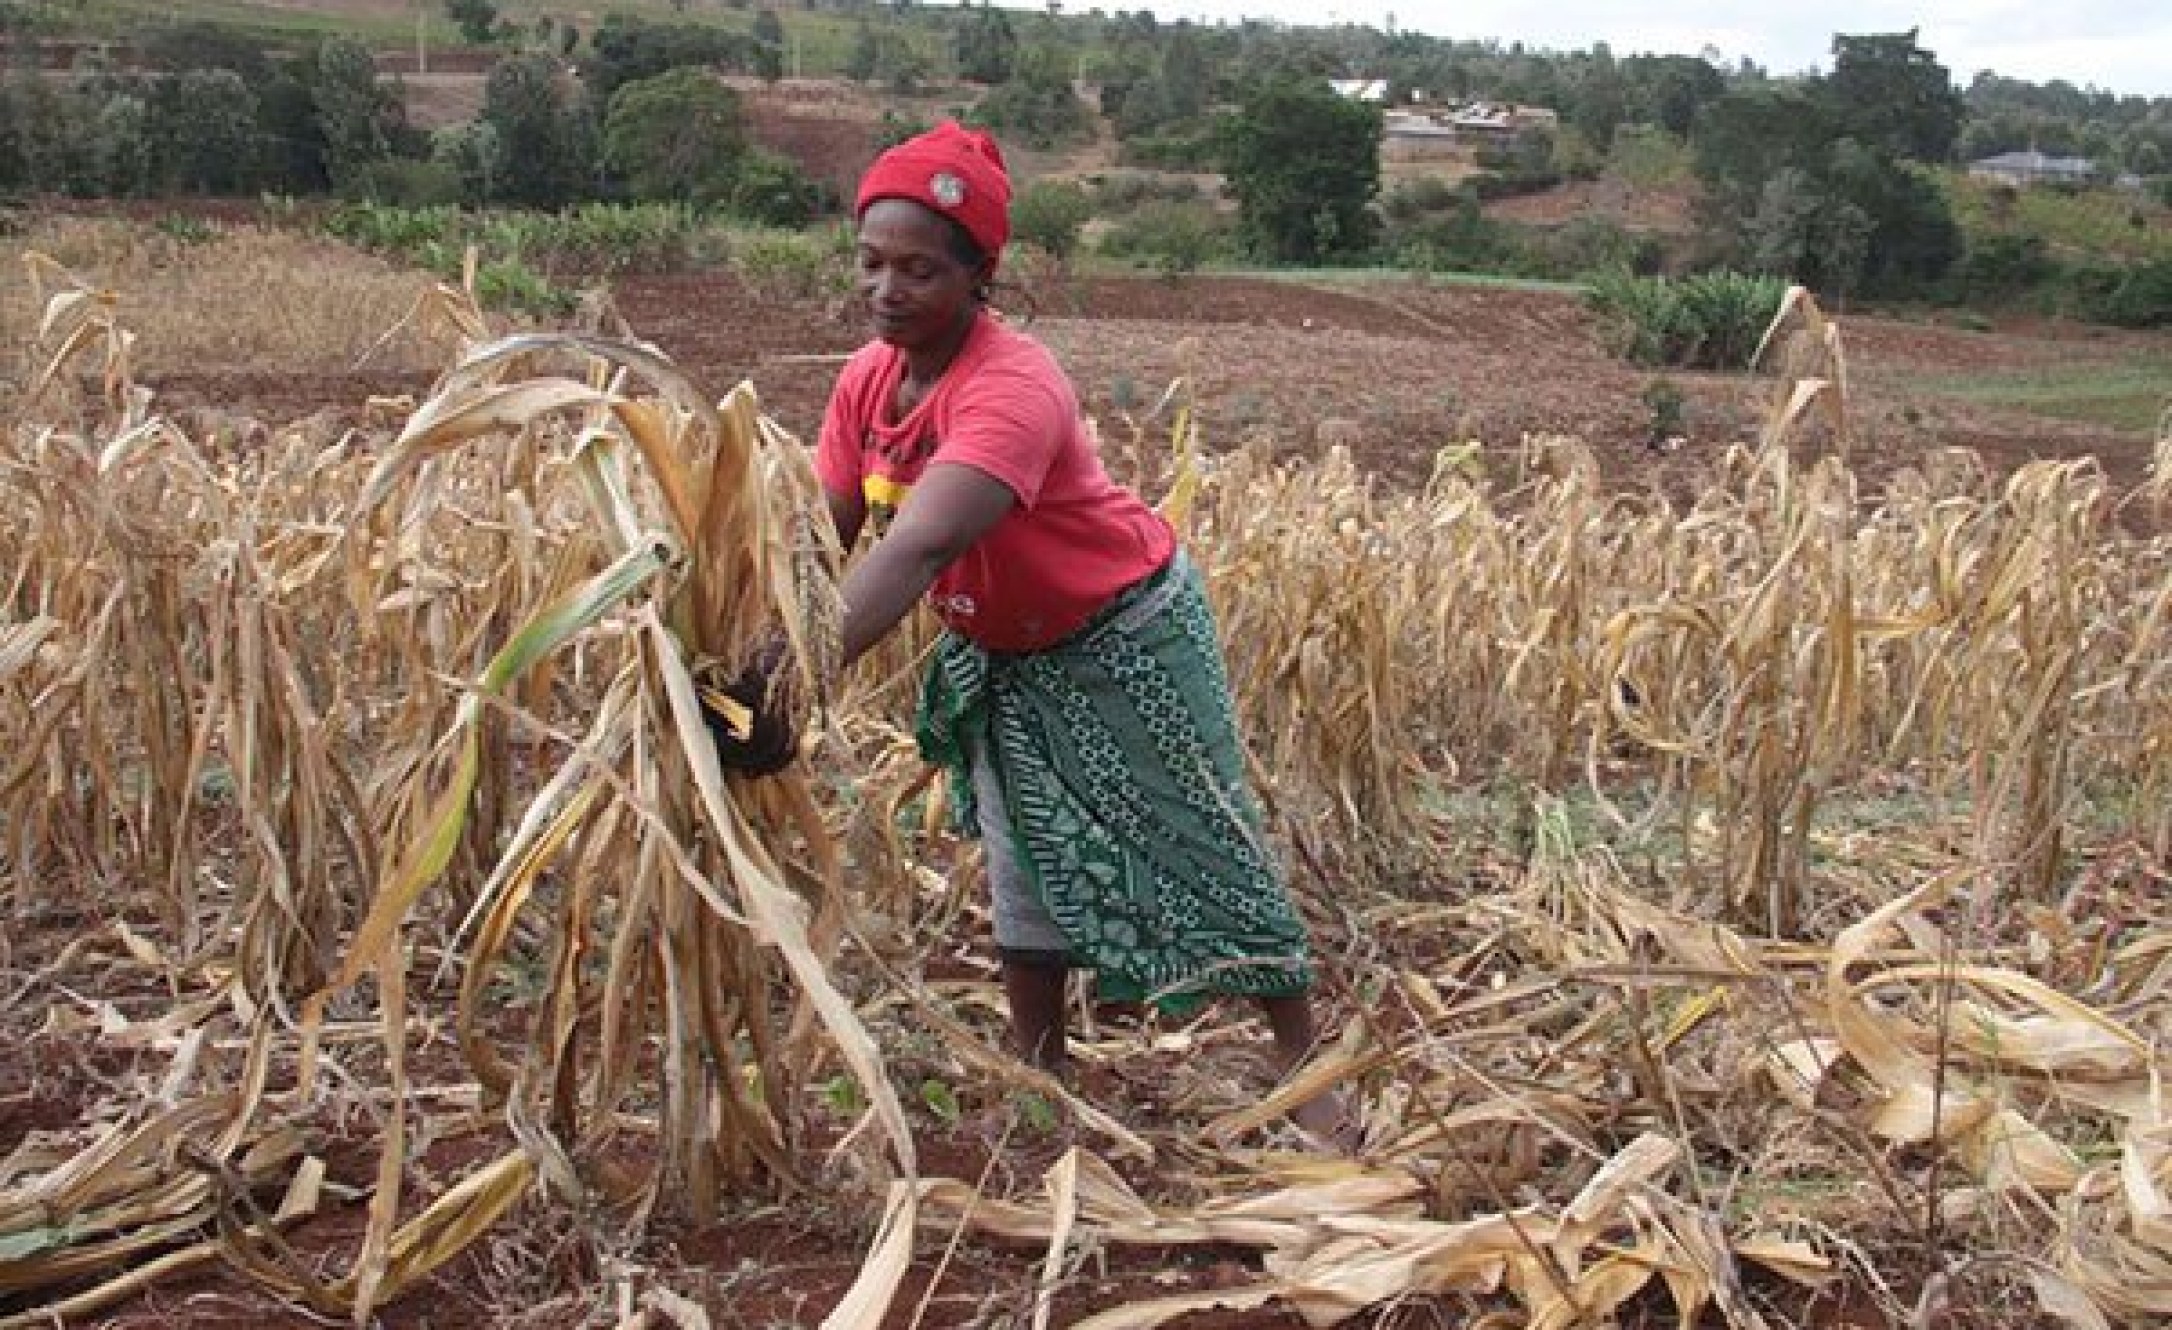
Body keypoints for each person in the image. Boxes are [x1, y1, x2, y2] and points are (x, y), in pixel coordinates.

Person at [716, 121, 1350, 1147]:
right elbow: (820, 539)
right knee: (1022, 854)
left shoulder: (1014, 386)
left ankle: (1306, 1074)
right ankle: (1043, 1075)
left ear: (980, 275)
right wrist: (746, 658)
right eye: (872, 263)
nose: (886, 290)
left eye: (919, 269)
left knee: (1201, 833)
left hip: (1123, 633)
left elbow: (919, 545)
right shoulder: (867, 383)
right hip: (1004, 648)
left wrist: (793, 684)